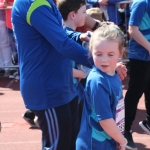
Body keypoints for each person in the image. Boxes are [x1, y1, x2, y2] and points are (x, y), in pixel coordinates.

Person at [12, 0, 127, 149]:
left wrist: (78, 36)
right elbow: (61, 43)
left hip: (61, 85)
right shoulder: (35, 4)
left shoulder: (45, 3)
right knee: (59, 146)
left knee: (71, 143)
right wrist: (105, 63)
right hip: (48, 89)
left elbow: (59, 31)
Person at [76, 24, 127, 150]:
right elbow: (105, 120)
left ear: (121, 53)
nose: (104, 60)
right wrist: (122, 140)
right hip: (95, 144)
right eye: (98, 54)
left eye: (110, 55)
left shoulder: (113, 72)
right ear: (91, 51)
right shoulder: (98, 81)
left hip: (108, 139)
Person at [124, 0, 150, 149]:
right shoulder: (141, 3)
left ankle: (148, 122)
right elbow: (133, 30)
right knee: (135, 93)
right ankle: (125, 130)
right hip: (140, 56)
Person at [0, 9, 12, 76]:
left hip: (2, 19)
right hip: (2, 20)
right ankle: (2, 66)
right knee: (3, 44)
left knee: (4, 44)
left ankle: (8, 67)